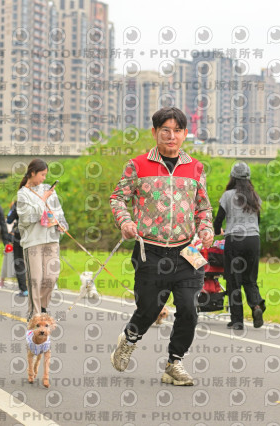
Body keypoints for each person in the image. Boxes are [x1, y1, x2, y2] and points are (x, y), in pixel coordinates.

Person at [109, 106, 214, 386]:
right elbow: (118, 198)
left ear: (185, 134)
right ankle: (129, 338)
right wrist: (125, 222)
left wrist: (206, 228)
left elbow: (203, 207)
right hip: (151, 251)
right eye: (165, 130)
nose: (171, 136)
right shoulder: (137, 165)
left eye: (177, 131)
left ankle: (174, 363)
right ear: (154, 132)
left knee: (189, 309)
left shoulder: (196, 168)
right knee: (149, 309)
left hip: (188, 251)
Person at [213, 161, 265, 330]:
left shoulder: (227, 195)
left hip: (235, 240)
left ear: (232, 177)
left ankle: (237, 321)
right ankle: (256, 306)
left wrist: (217, 231)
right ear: (248, 177)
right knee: (250, 279)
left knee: (234, 281)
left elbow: (218, 220)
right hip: (253, 240)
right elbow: (258, 221)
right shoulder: (254, 196)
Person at [17, 159, 68, 319]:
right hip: (33, 242)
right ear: (32, 173)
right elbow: (28, 218)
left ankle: (43, 306)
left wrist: (62, 224)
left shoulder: (48, 189)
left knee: (51, 277)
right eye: (42, 174)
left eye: (46, 175)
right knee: (35, 279)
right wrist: (43, 199)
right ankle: (35, 313)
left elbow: (58, 211)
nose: (44, 178)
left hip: (52, 239)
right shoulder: (22, 194)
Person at [6, 201, 29, 297]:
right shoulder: (39, 200)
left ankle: (24, 289)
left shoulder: (18, 203)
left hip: (20, 234)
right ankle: (37, 289)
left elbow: (9, 219)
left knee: (19, 262)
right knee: (34, 262)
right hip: (35, 235)